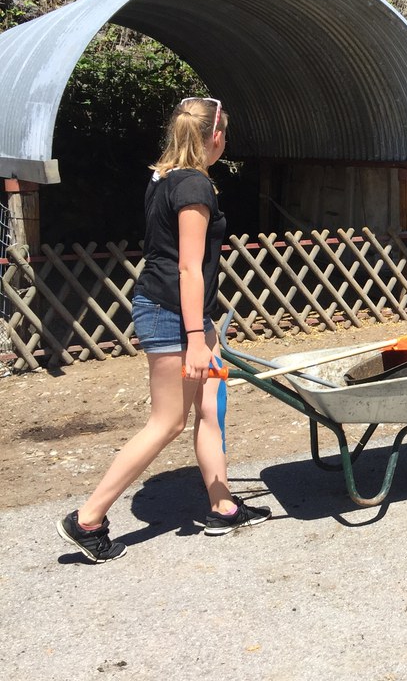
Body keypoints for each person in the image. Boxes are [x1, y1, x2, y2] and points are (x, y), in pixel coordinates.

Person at [57, 97, 270, 563]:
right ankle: (87, 519)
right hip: (174, 314)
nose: (226, 141)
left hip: (186, 314)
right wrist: (195, 339)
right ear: (215, 137)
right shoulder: (194, 185)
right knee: (168, 421)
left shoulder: (164, 176)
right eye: (226, 135)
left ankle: (223, 506)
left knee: (210, 410)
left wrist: (202, 330)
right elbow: (188, 268)